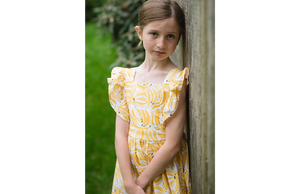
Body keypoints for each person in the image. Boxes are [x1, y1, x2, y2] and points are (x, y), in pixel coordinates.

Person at [107, 0, 191, 193]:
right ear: (139, 33)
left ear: (178, 39)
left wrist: (140, 184)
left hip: (162, 173)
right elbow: (121, 135)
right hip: (129, 172)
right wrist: (128, 182)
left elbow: (172, 145)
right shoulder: (125, 78)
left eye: (170, 36)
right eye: (154, 34)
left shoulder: (175, 83)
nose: (161, 43)